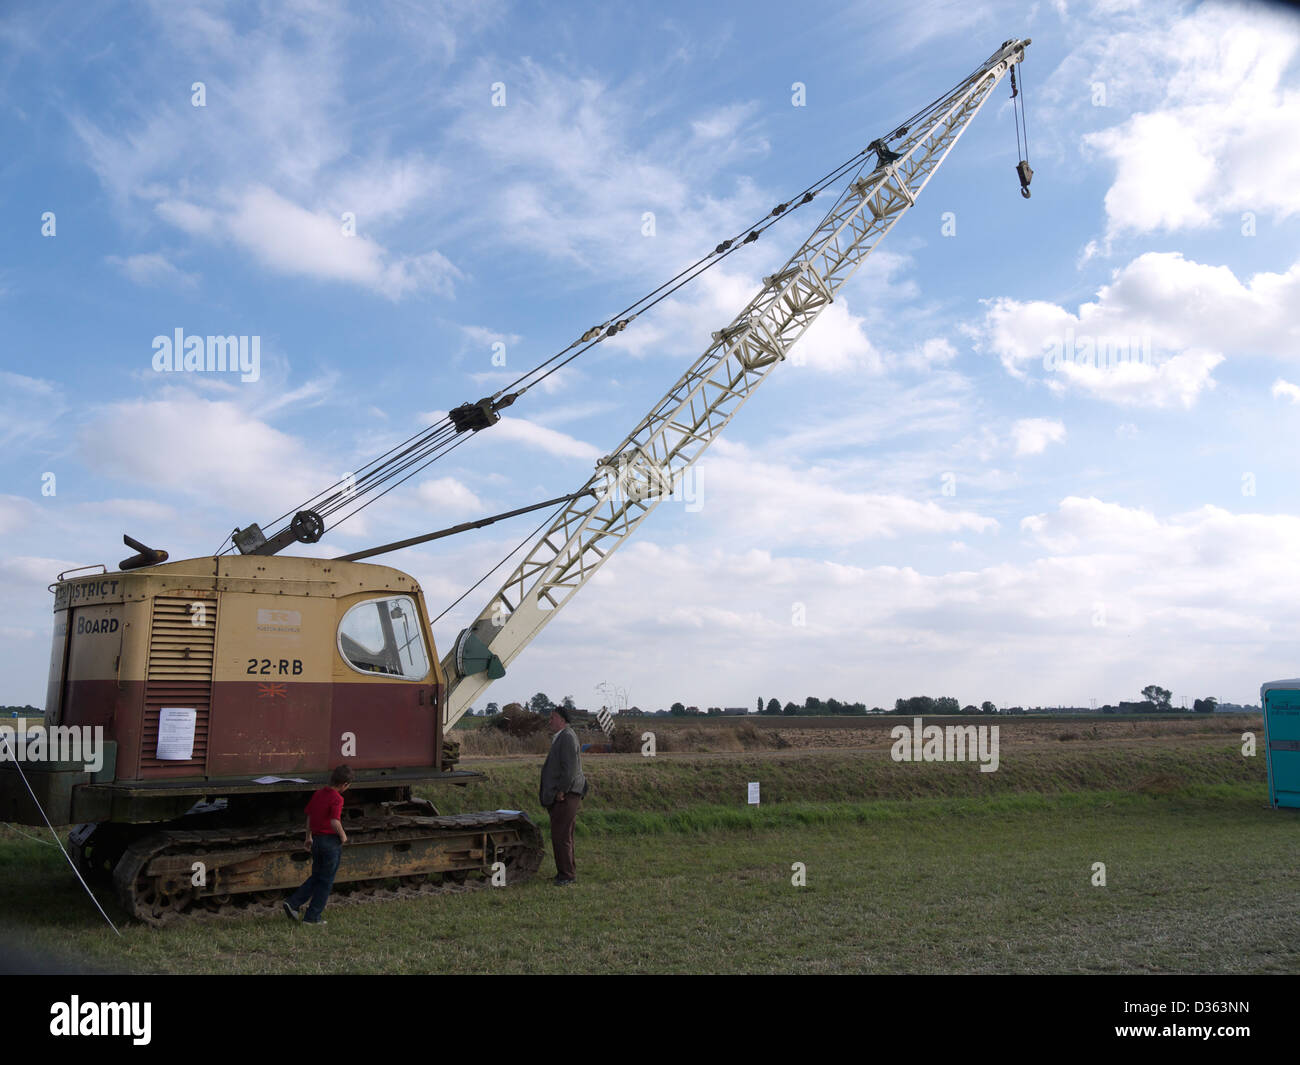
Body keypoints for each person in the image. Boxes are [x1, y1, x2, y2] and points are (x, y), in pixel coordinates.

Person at [283, 764, 353, 924]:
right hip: (330, 843)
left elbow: (309, 817)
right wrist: (343, 837)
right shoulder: (337, 798)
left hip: (316, 841)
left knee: (317, 876)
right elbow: (335, 821)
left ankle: (292, 903)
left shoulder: (318, 794)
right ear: (345, 784)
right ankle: (312, 917)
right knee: (326, 881)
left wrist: (308, 837)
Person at [539, 706, 586, 886]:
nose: (549, 721)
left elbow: (570, 769)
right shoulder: (563, 737)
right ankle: (565, 872)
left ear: (562, 720)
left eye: (552, 718)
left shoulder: (566, 737)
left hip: (566, 795)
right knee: (563, 835)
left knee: (561, 836)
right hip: (565, 794)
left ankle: (566, 876)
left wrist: (561, 791)